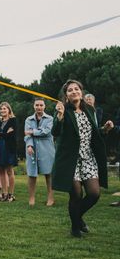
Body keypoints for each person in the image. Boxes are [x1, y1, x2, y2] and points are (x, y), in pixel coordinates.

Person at [53, 80, 113, 237]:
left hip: (88, 158)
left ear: (81, 92)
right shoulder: (63, 110)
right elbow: (55, 131)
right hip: (70, 159)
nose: (74, 91)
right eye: (70, 90)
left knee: (94, 193)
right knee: (76, 194)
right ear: (66, 95)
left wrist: (104, 129)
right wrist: (59, 115)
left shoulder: (90, 110)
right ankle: (75, 228)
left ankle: (77, 218)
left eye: (76, 89)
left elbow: (94, 133)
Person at [24, 99, 55, 207]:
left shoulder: (50, 118)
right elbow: (27, 135)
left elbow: (46, 131)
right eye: (37, 105)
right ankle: (31, 198)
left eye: (41, 105)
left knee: (49, 173)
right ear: (34, 106)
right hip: (32, 149)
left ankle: (51, 198)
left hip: (47, 148)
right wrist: (29, 145)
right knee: (32, 174)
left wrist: (32, 132)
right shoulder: (28, 119)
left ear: (44, 106)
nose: (39, 107)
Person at [0, 102, 17, 202]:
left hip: (9, 147)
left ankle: (11, 194)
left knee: (9, 170)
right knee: (1, 171)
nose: (3, 110)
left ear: (9, 110)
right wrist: (4, 133)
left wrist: (0, 133)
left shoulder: (13, 121)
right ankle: (4, 193)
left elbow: (12, 135)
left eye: (5, 109)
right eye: (1, 109)